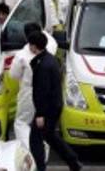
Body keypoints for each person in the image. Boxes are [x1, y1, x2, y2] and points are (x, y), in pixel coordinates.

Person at [28, 32, 82, 171]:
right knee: (50, 136)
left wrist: (40, 114)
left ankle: (41, 167)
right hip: (54, 106)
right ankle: (73, 161)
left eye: (30, 44)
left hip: (47, 109)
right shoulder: (50, 59)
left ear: (34, 46)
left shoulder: (43, 65)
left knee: (35, 139)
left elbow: (42, 91)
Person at [10, 22, 59, 145]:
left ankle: (30, 148)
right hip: (49, 92)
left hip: (29, 91)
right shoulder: (50, 45)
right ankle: (43, 147)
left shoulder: (21, 55)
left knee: (21, 122)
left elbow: (14, 75)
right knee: (43, 124)